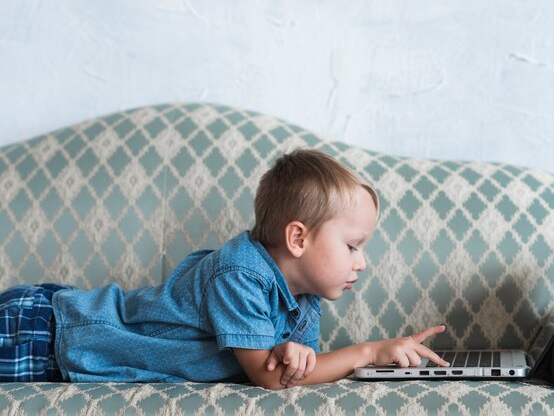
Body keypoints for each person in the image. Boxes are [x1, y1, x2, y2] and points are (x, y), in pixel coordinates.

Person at [0, 149, 449, 389]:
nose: (362, 262)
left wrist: (299, 354)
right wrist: (369, 352)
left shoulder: (305, 299)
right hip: (48, 331)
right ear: (298, 239)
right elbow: (269, 378)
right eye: (352, 245)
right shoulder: (240, 273)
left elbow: (293, 371)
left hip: (60, 343)